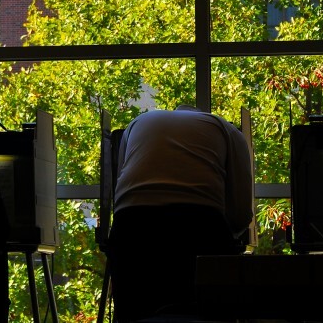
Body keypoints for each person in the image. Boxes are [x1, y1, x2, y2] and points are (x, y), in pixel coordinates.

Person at [108, 105, 253, 322]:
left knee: (135, 315)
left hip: (131, 228)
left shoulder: (138, 123)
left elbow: (119, 189)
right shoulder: (227, 130)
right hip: (199, 225)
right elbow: (240, 211)